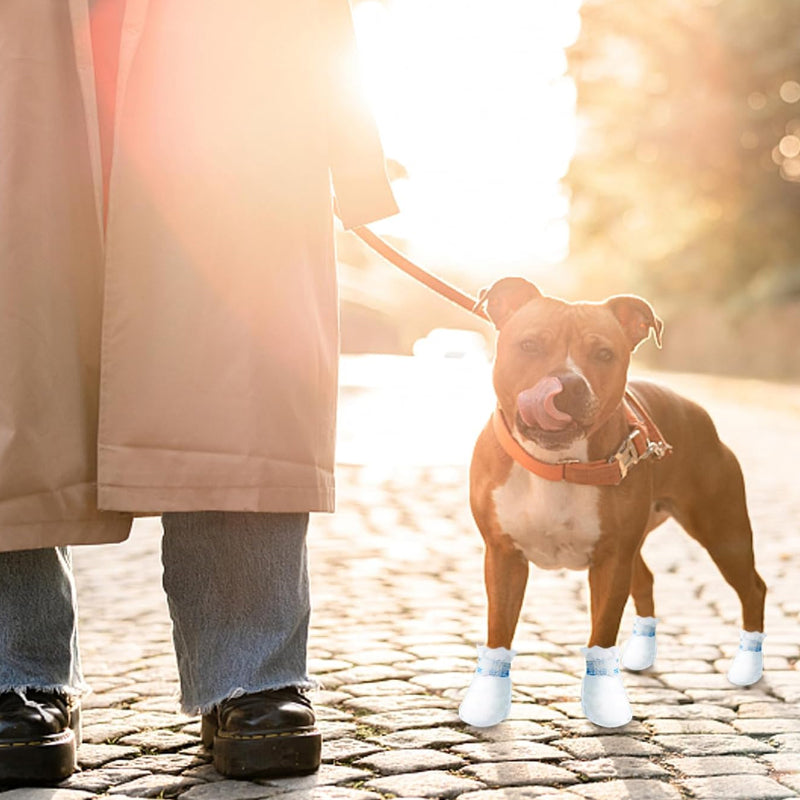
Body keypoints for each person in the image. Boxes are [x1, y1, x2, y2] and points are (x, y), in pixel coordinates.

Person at [0, 0, 397, 785]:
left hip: (231, 92)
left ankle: (251, 671)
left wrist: (352, 158)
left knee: (235, 382)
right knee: (14, 377)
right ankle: (15, 667)